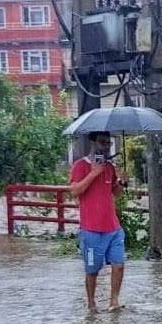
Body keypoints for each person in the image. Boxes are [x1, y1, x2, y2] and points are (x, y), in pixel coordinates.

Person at [69, 131, 128, 313]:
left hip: (113, 227)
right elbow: (75, 190)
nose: (106, 146)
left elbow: (115, 192)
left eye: (108, 143)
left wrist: (122, 183)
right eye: (102, 142)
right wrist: (93, 173)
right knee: (92, 270)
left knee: (119, 265)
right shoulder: (80, 166)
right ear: (93, 142)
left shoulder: (110, 167)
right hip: (91, 229)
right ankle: (91, 303)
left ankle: (114, 301)